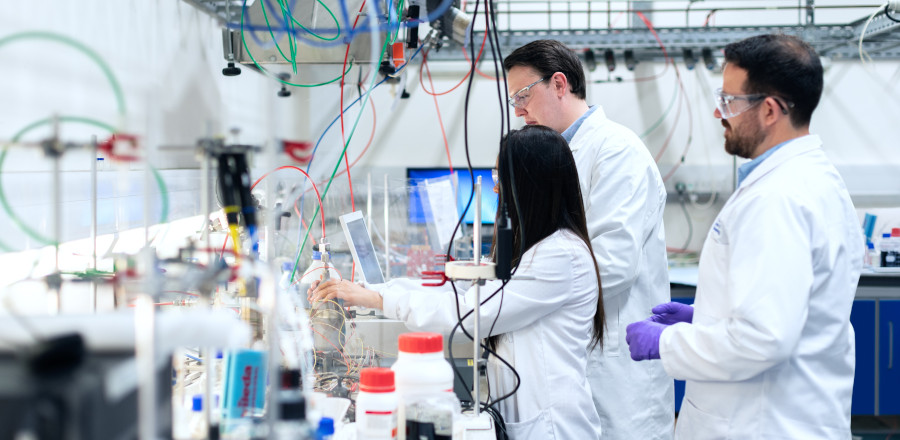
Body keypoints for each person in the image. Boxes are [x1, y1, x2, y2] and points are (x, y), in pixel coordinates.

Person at [625, 34, 864, 439]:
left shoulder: (778, 198)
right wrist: (706, 318)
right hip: (788, 412)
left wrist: (669, 343)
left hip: (762, 423)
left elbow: (763, 340)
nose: (721, 115)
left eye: (730, 102)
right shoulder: (811, 178)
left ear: (770, 110)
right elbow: (782, 309)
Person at [311, 125, 604, 439]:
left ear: (529, 185)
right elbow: (466, 290)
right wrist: (371, 291)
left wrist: (379, 301)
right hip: (530, 419)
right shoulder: (540, 247)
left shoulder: (560, 255)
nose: (495, 189)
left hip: (553, 427)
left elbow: (473, 312)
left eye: (499, 178)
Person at [502, 40, 673, 439]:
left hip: (616, 368)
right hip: (577, 357)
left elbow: (611, 265)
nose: (518, 110)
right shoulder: (557, 154)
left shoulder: (616, 152)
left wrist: (522, 297)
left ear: (559, 84)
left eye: (523, 95)